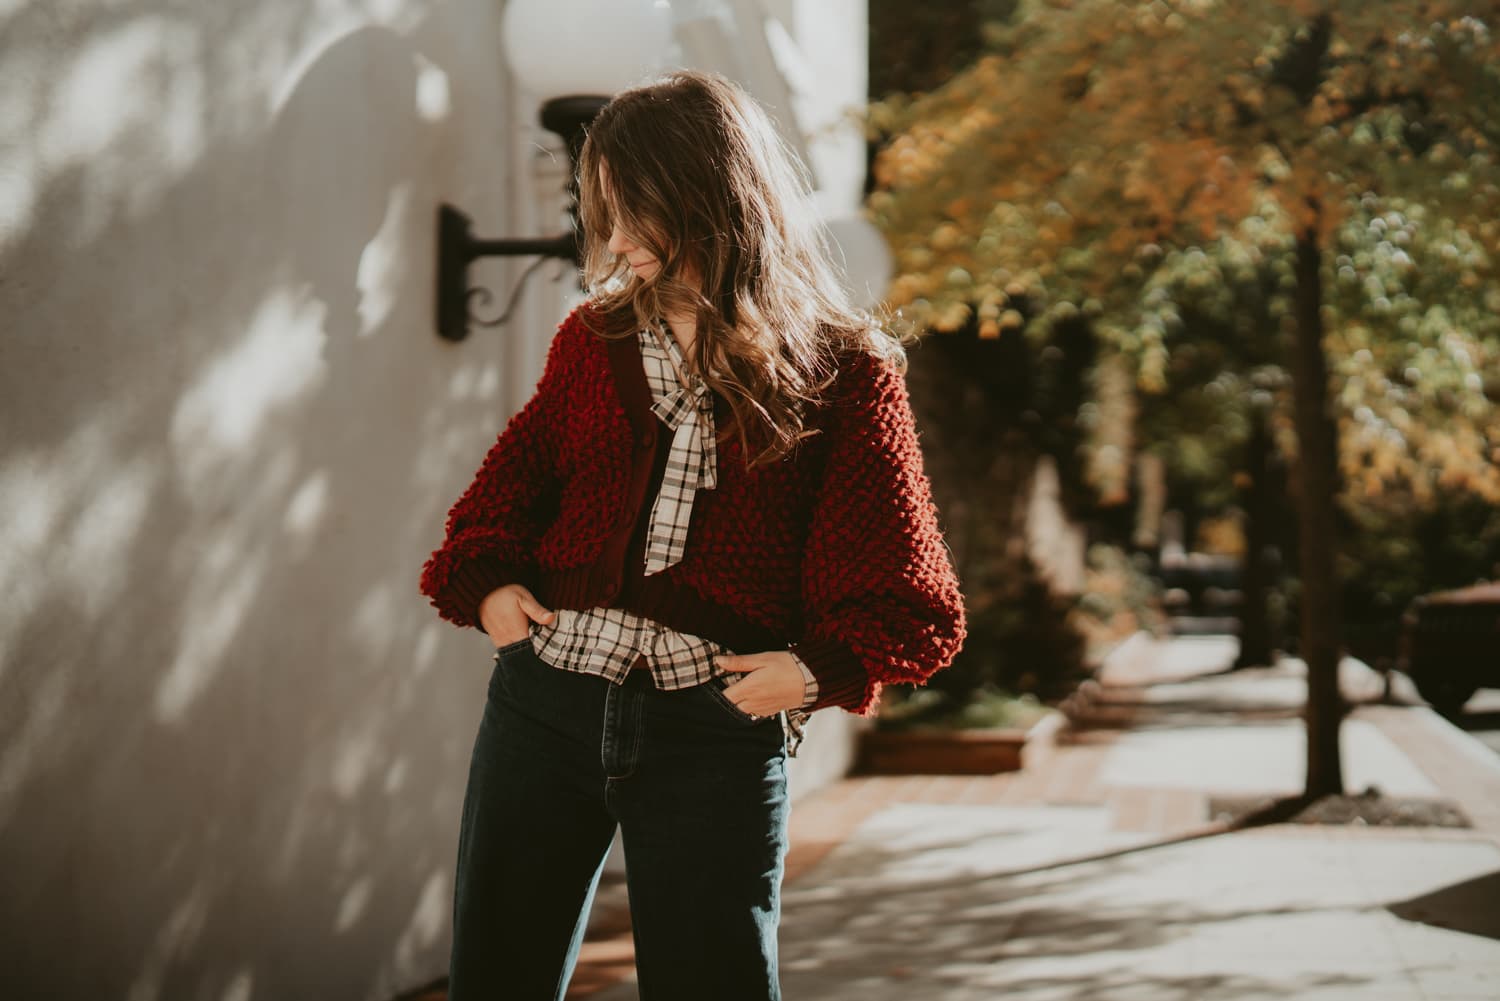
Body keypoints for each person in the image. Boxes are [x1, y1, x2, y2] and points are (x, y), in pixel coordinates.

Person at [419, 69, 966, 1001]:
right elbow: (509, 489)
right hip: (543, 706)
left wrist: (818, 671)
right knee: (498, 974)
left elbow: (911, 592)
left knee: (715, 982)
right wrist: (491, 589)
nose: (617, 243)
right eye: (604, 214)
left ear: (712, 201)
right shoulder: (592, 341)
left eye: (638, 213)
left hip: (712, 728)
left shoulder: (845, 370)